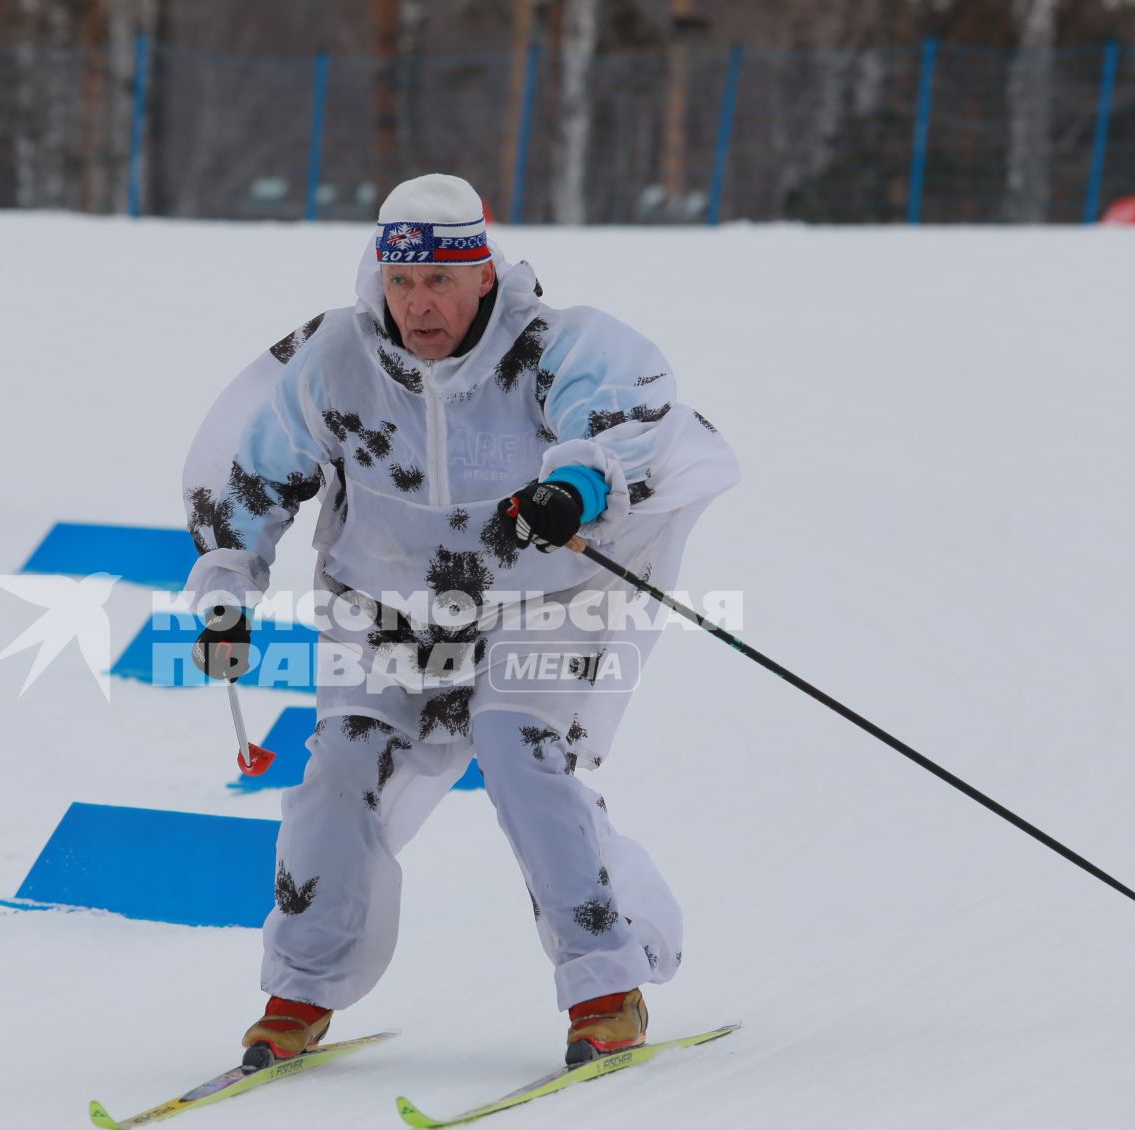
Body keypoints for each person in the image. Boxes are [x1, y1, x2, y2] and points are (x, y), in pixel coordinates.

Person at [181, 173, 739, 1067]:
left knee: (520, 748)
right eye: (402, 283)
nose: (419, 305)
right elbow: (253, 477)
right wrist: (225, 592)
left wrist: (575, 487)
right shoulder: (337, 360)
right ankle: (300, 992)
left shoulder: (555, 346)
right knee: (340, 769)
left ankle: (605, 981)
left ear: (484, 272)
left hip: (541, 598)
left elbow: (619, 419)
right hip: (387, 612)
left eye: (441, 280)